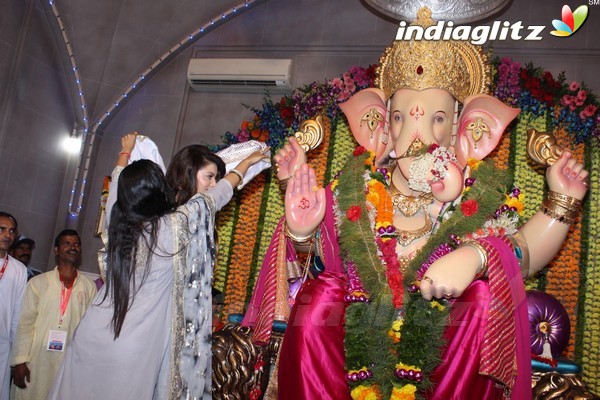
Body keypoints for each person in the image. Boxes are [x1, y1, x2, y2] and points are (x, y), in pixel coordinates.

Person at [243, 8, 590, 400]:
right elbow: (314, 265)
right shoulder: (355, 188)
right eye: (399, 118)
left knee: (478, 301)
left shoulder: (478, 193)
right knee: (319, 296)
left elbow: (521, 255)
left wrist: (549, 210)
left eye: (436, 119)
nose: (416, 135)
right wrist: (302, 232)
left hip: (441, 360)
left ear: (466, 126)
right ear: (380, 125)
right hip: (352, 349)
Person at [47, 133, 268, 400]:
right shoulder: (171, 227)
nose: (212, 183)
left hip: (90, 337)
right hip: (132, 347)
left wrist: (124, 153)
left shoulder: (119, 230)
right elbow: (214, 198)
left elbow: (116, 193)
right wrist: (244, 165)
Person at [11, 229, 96, 400]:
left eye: (77, 244)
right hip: (36, 359)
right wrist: (20, 360)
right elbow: (24, 324)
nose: (73, 247)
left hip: (69, 361)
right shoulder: (38, 283)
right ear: (56, 250)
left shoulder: (88, 287)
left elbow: (90, 329)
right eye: (67, 243)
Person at [0, 212, 26, 400]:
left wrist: (16, 353)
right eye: (2, 229)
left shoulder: (19, 269)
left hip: (2, 345)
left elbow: (18, 312)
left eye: (11, 231)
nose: (7, 235)